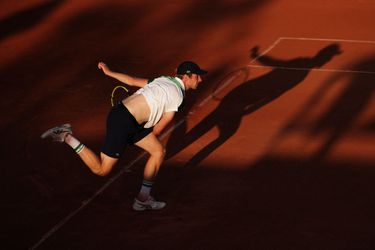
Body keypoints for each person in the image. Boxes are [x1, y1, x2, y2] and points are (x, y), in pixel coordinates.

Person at [41, 61, 207, 211]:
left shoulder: (163, 79)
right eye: (197, 76)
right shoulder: (178, 96)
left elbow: (133, 81)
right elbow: (162, 125)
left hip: (126, 117)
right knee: (101, 170)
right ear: (186, 77)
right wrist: (147, 135)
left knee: (158, 151)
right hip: (124, 122)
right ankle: (65, 135)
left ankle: (142, 199)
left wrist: (109, 72)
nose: (200, 80)